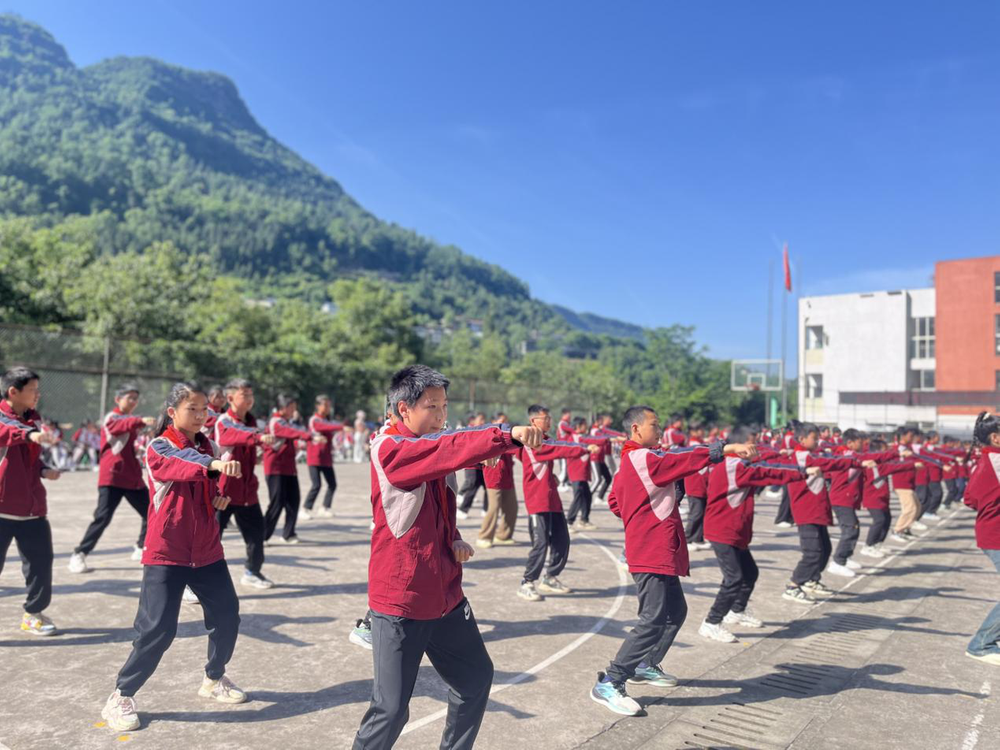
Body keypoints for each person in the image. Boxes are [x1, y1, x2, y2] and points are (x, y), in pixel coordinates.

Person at [352, 364, 542, 749]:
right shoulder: (390, 447)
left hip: (445, 596)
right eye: (432, 407)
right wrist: (504, 436)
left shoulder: (427, 443)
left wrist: (453, 537)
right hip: (402, 600)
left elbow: (438, 478)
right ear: (403, 409)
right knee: (390, 710)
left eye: (444, 406)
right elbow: (441, 451)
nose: (441, 416)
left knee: (474, 679)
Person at [590, 406, 756, 716]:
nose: (660, 428)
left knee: (676, 611)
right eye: (654, 424)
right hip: (650, 549)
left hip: (658, 548)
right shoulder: (642, 457)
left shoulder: (637, 458)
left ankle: (645, 663)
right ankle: (611, 681)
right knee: (652, 618)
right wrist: (724, 448)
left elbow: (616, 501)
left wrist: (638, 514)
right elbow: (683, 460)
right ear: (636, 429)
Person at [100, 382, 246, 732]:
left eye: (203, 409)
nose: (200, 415)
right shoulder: (160, 446)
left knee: (227, 616)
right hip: (167, 552)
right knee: (158, 630)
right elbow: (184, 464)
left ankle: (213, 678)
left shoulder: (207, 445)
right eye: (191, 409)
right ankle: (121, 694)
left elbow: (208, 483)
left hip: (207, 551)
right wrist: (212, 465)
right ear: (172, 413)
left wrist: (218, 498)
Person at [698, 425, 807, 643]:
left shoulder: (739, 462)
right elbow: (765, 472)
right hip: (722, 530)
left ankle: (736, 611)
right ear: (737, 446)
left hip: (735, 531)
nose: (755, 449)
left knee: (750, 573)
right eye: (751, 444)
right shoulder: (733, 467)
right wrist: (800, 472)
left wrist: (781, 456)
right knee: (734, 579)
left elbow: (764, 460)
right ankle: (711, 622)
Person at [778, 422, 872, 604]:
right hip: (806, 511)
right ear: (801, 439)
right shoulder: (802, 456)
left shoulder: (810, 455)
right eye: (814, 438)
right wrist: (856, 462)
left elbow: (829, 459)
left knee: (825, 549)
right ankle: (793, 585)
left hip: (817, 510)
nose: (818, 441)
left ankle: (812, 580)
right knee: (812, 552)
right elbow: (831, 462)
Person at [68, 384, 156, 574]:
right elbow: (120, 425)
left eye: (135, 398)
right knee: (103, 518)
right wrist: (140, 420)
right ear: (118, 399)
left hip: (132, 477)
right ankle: (79, 553)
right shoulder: (112, 418)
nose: (133, 401)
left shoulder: (131, 420)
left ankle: (141, 547)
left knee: (152, 510)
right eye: (129, 397)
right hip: (112, 478)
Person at [0, 367, 61, 635]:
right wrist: (30, 435)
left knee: (40, 563)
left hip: (32, 510)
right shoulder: (5, 419)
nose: (38, 395)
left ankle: (32, 614)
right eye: (33, 390)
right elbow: (9, 431)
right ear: (13, 392)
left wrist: (44, 469)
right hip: (2, 509)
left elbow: (31, 460)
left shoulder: (34, 419)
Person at [515, 404, 597, 602]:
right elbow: (558, 449)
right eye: (545, 418)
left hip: (553, 500)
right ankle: (527, 582)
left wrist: (550, 476)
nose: (549, 421)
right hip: (537, 501)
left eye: (550, 418)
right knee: (541, 543)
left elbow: (547, 453)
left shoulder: (546, 440)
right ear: (533, 421)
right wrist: (583, 448)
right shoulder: (531, 442)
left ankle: (550, 577)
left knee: (562, 540)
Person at [214, 378, 277, 589]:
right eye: (245, 395)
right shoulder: (223, 421)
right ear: (230, 398)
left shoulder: (253, 423)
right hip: (223, 491)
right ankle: (193, 580)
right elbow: (231, 436)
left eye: (251, 394)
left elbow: (255, 442)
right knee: (211, 536)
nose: (250, 399)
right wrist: (257, 436)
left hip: (248, 490)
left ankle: (252, 571)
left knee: (256, 534)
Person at [826, 429, 897, 577]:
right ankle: (838, 562)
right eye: (859, 442)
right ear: (850, 443)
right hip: (840, 499)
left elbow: (867, 456)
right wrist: (895, 453)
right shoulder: (846, 454)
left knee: (853, 528)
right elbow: (866, 457)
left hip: (847, 499)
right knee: (851, 529)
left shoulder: (852, 454)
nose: (863, 444)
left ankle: (845, 557)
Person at [963, 412, 1000, 665]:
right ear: (996, 438)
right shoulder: (994, 461)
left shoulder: (989, 459)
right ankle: (981, 644)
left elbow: (970, 499)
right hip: (995, 534)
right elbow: (971, 496)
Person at [263, 394, 315, 545]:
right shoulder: (276, 421)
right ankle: (262, 536)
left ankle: (288, 534)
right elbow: (289, 432)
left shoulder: (286, 421)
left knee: (293, 501)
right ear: (283, 408)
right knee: (276, 503)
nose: (294, 410)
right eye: (292, 407)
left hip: (289, 469)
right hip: (275, 468)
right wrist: (309, 436)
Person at [476, 412, 519, 548]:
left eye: (506, 421)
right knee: (494, 507)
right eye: (502, 421)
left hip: (507, 477)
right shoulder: (488, 436)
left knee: (512, 507)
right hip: (494, 477)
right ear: (494, 421)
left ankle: (503, 535)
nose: (505, 424)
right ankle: (484, 536)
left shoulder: (508, 437)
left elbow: (517, 450)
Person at [301, 395, 345, 520]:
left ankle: (324, 507)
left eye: (328, 405)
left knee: (332, 484)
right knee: (316, 485)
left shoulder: (327, 420)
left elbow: (328, 426)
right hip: (314, 457)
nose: (327, 408)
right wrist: (340, 427)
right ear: (318, 406)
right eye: (325, 405)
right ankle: (305, 508)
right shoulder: (314, 419)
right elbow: (323, 427)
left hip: (326, 458)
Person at [566, 417, 607, 531]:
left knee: (587, 497)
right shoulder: (575, 437)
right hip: (576, 472)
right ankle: (568, 522)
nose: (586, 427)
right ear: (578, 427)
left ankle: (584, 520)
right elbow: (593, 441)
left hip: (582, 473)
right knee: (578, 497)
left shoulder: (579, 437)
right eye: (584, 425)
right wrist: (607, 440)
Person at [683, 422, 710, 551]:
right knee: (696, 513)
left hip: (702, 484)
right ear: (693, 432)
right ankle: (687, 538)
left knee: (702, 512)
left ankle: (698, 538)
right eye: (700, 430)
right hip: (695, 484)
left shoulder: (700, 443)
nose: (702, 432)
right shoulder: (694, 445)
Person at [457, 412, 488, 518]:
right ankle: (462, 508)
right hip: (471, 465)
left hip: (481, 465)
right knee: (471, 485)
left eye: (484, 419)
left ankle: (486, 510)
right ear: (473, 421)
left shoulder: (483, 431)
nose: (483, 422)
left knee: (488, 487)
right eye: (481, 419)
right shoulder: (469, 431)